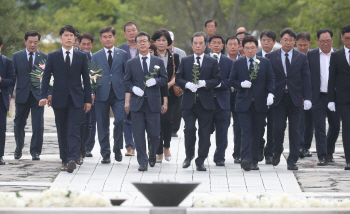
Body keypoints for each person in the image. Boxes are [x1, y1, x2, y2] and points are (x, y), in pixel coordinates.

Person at [39, 25, 92, 173]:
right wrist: (43, 96)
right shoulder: (53, 56)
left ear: (75, 39)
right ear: (60, 38)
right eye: (66, 35)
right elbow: (46, 77)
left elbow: (86, 80)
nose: (69, 38)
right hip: (59, 98)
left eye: (72, 35)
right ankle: (64, 159)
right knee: (62, 130)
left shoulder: (82, 56)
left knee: (74, 129)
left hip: (77, 99)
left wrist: (87, 100)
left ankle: (72, 159)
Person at [266, 28, 312, 171]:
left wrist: (308, 98)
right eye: (285, 40)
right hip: (278, 98)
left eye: (291, 40)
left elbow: (306, 78)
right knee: (278, 129)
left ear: (295, 42)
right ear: (280, 40)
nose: (288, 42)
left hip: (295, 98)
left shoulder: (301, 57)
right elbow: (269, 78)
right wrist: (269, 94)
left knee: (295, 130)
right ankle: (277, 151)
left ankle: (292, 160)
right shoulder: (271, 57)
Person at [175, 32, 221, 171]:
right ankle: (189, 156)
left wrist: (205, 83)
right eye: (195, 43)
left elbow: (217, 79)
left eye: (201, 43)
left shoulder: (212, 61)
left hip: (205, 103)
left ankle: (200, 160)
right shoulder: (186, 61)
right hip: (189, 103)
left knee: (205, 133)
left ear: (205, 44)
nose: (198, 46)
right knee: (189, 130)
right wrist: (187, 84)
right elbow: (178, 78)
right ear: (192, 45)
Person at [229, 35, 275, 171]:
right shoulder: (238, 63)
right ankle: (246, 159)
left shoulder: (265, 62)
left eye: (252, 48)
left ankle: (254, 160)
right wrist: (240, 84)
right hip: (243, 103)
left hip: (260, 103)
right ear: (242, 48)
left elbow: (270, 79)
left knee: (258, 132)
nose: (250, 51)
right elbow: (231, 80)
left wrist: (271, 94)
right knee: (245, 131)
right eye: (247, 48)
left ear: (257, 48)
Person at [124, 31, 168, 171]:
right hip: (137, 104)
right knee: (138, 134)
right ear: (136, 45)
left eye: (145, 41)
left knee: (155, 134)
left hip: (153, 103)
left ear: (149, 44)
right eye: (139, 41)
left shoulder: (158, 61)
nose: (142, 43)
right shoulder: (131, 63)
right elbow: (126, 82)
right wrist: (133, 89)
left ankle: (153, 153)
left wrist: (155, 81)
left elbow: (165, 80)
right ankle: (142, 161)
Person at [92, 26, 128, 164]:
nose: (108, 39)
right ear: (101, 39)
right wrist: (92, 93)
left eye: (110, 36)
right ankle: (105, 153)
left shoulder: (122, 54)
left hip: (119, 93)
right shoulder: (95, 56)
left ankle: (117, 147)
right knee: (102, 124)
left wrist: (127, 93)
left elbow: (127, 74)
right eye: (105, 37)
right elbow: (92, 77)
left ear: (115, 38)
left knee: (119, 121)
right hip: (101, 93)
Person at [10, 30, 47, 161]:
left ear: (38, 43)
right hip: (22, 94)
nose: (32, 45)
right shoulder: (16, 56)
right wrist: (10, 93)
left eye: (35, 42)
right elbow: (13, 76)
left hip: (38, 96)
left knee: (38, 125)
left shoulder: (44, 57)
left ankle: (36, 151)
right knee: (18, 124)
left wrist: (47, 95)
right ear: (25, 41)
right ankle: (19, 147)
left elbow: (48, 78)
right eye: (30, 42)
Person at [308, 29, 340, 166]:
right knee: (319, 127)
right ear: (317, 41)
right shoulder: (311, 55)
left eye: (328, 41)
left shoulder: (339, 54)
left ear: (332, 40)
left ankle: (329, 151)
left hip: (335, 97)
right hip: (318, 96)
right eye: (322, 41)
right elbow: (306, 76)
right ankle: (322, 156)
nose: (325, 43)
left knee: (335, 126)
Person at [151, 29, 180, 163]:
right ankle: (158, 151)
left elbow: (179, 75)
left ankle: (166, 146)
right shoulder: (150, 56)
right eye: (158, 40)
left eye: (164, 40)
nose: (161, 43)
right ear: (154, 42)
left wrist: (167, 85)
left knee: (167, 120)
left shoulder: (175, 58)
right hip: (154, 93)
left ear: (168, 42)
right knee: (156, 122)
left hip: (169, 93)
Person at [328, 24, 350, 170]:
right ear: (342, 38)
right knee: (347, 129)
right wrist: (331, 99)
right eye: (347, 38)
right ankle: (349, 160)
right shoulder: (336, 56)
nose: (349, 41)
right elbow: (332, 79)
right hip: (343, 98)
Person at [208, 34, 233, 166]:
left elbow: (232, 79)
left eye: (219, 43)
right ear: (209, 45)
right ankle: (203, 154)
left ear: (223, 46)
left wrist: (219, 84)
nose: (216, 45)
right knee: (205, 131)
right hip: (207, 102)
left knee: (222, 132)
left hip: (223, 102)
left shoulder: (229, 62)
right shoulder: (204, 60)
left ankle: (220, 157)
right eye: (214, 42)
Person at [118, 21, 139, 157]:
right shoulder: (120, 50)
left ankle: (141, 144)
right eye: (129, 31)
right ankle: (130, 145)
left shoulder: (144, 47)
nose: (132, 33)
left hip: (143, 88)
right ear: (125, 34)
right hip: (125, 88)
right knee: (126, 118)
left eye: (134, 30)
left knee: (140, 118)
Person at [256, 30, 277, 164]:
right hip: (258, 96)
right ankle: (259, 147)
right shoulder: (255, 56)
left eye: (269, 40)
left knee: (273, 126)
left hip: (275, 96)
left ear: (274, 42)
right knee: (259, 125)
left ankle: (270, 152)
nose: (266, 43)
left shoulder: (278, 56)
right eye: (264, 40)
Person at [296, 31, 313, 158]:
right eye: (300, 45)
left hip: (313, 94)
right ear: (296, 44)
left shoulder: (313, 56)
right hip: (298, 95)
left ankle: (307, 146)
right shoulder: (294, 56)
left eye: (305, 45)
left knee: (310, 122)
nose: (302, 48)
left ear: (309, 44)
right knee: (300, 122)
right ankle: (300, 147)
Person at [78, 33, 96, 158]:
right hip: (77, 94)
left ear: (92, 45)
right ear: (79, 44)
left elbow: (97, 76)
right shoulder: (76, 57)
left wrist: (92, 92)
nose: (86, 46)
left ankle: (88, 147)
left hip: (91, 95)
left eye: (88, 44)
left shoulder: (95, 58)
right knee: (79, 122)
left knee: (90, 122)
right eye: (83, 44)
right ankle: (78, 147)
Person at [226, 36, 242, 163]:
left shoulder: (243, 61)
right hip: (225, 95)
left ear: (239, 46)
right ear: (226, 47)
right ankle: (220, 152)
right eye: (230, 44)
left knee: (239, 125)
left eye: (235, 44)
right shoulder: (221, 60)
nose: (232, 46)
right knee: (224, 124)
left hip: (239, 94)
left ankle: (238, 153)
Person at [0, 36, 16, 165]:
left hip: (1, 99)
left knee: (1, 129)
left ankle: (0, 155)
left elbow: (12, 80)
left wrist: (1, 81)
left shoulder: (6, 61)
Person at [168, 31, 186, 138]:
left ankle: (174, 129)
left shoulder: (181, 52)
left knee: (177, 107)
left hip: (177, 84)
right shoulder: (158, 52)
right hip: (163, 83)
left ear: (173, 41)